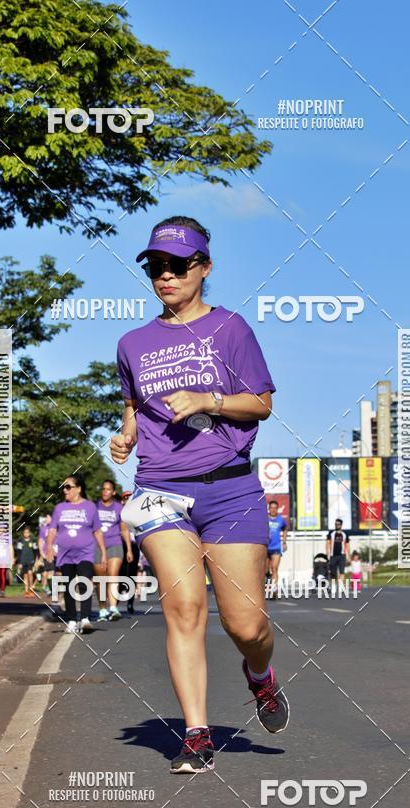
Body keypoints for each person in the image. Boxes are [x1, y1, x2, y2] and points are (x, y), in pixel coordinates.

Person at [111, 215, 289, 775]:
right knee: (183, 608)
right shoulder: (132, 343)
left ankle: (259, 676)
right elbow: (135, 405)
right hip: (161, 489)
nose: (165, 276)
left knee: (246, 627)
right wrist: (126, 434)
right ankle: (195, 734)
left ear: (203, 269)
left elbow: (260, 402)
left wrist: (209, 398)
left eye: (178, 266)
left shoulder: (230, 330)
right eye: (156, 267)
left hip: (231, 489)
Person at [45, 474, 107, 634]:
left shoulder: (90, 507)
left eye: (68, 487)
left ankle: (85, 619)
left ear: (78, 489)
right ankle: (72, 620)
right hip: (65, 555)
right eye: (63, 487)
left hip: (85, 552)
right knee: (69, 586)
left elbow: (97, 531)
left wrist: (104, 553)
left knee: (84, 583)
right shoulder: (59, 508)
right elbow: (52, 529)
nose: (64, 490)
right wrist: (49, 546)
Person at [94, 480, 133, 621]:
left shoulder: (118, 508)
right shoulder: (95, 507)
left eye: (108, 489)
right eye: (103, 489)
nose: (105, 491)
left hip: (115, 544)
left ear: (113, 492)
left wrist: (129, 549)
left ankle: (113, 607)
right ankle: (103, 608)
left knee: (113, 575)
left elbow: (124, 529)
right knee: (100, 580)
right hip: (97, 546)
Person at [266, 500, 288, 598]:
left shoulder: (280, 519)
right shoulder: (265, 518)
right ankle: (268, 582)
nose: (273, 510)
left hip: (276, 547)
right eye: (271, 508)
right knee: (265, 570)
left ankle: (274, 589)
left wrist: (284, 541)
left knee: (274, 568)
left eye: (275, 508)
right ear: (269, 509)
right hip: (265, 546)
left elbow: (285, 528)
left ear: (277, 509)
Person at [326, 518, 350, 590]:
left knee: (342, 572)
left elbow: (348, 546)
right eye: (335, 524)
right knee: (333, 573)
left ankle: (341, 586)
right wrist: (327, 555)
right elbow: (327, 544)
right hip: (333, 556)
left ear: (341, 525)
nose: (336, 525)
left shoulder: (345, 534)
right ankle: (333, 586)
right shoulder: (331, 534)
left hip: (342, 555)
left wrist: (349, 556)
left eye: (338, 524)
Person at [16, 527, 39, 597]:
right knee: (25, 575)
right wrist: (19, 562)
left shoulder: (33, 541)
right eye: (25, 532)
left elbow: (36, 551)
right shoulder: (20, 541)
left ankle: (31, 589)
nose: (26, 534)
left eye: (27, 532)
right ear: (23, 533)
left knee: (30, 573)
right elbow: (18, 552)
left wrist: (36, 561)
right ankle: (26, 591)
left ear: (29, 533)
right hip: (23, 561)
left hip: (31, 560)